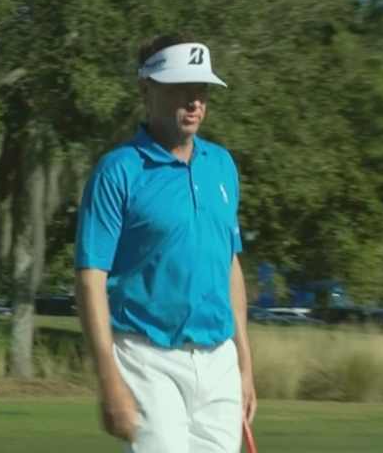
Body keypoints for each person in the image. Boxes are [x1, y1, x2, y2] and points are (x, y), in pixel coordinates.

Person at [74, 34, 257, 453]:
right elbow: (90, 279)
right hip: (145, 357)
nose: (195, 102)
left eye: (202, 90)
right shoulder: (118, 171)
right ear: (146, 89)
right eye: (181, 88)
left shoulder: (222, 166)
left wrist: (244, 362)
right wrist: (108, 377)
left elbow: (230, 265)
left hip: (218, 362)